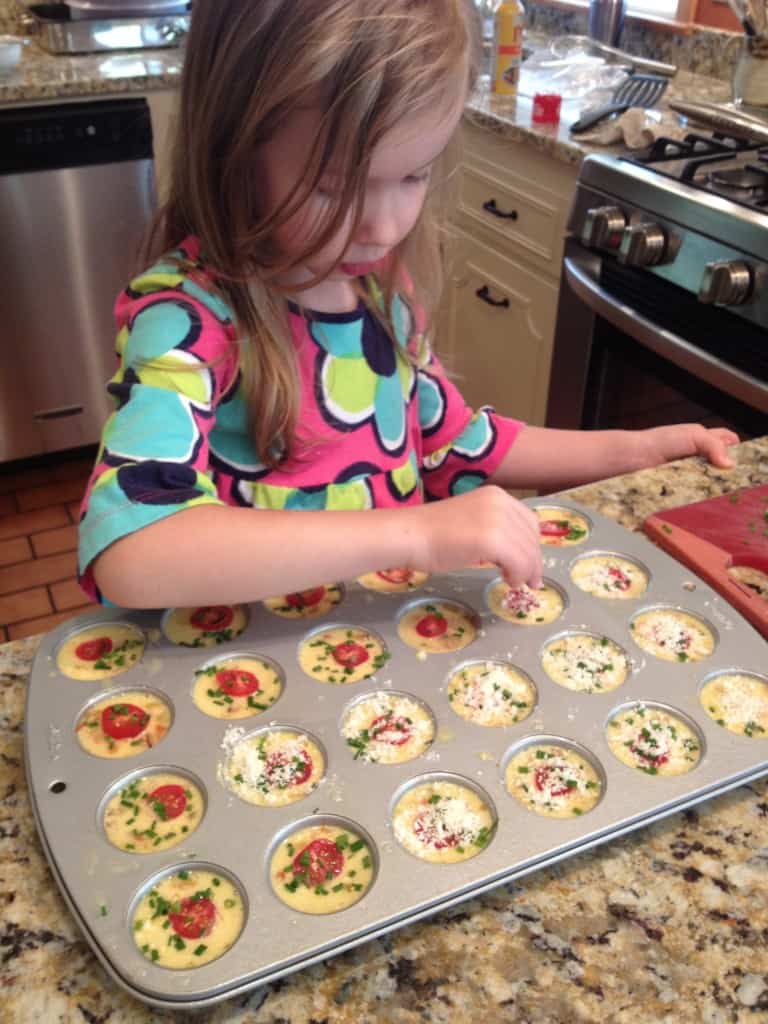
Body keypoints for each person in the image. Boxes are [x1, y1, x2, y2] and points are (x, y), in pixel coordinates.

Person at [78, 0, 737, 609]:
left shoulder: (379, 293)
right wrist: (414, 533)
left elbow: (457, 444)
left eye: (413, 176)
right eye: (334, 188)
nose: (384, 227)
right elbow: (133, 552)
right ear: (235, 153)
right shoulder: (187, 320)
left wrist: (637, 451)